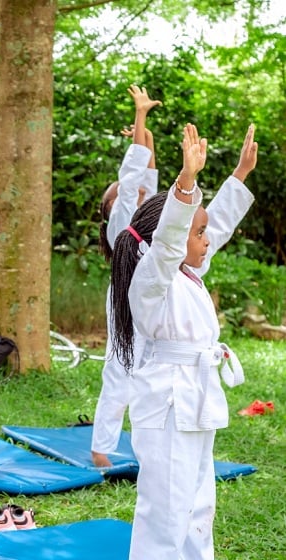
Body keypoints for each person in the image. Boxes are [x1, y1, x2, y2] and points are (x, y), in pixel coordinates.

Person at [110, 123, 257, 560]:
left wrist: (239, 176)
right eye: (199, 234)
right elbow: (174, 238)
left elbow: (218, 226)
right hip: (168, 403)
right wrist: (185, 183)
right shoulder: (154, 277)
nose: (206, 241)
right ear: (167, 243)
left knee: (197, 507)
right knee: (168, 513)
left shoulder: (186, 274)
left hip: (194, 398)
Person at [91, 85, 161, 468]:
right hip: (124, 298)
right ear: (112, 207)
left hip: (148, 297)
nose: (130, 190)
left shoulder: (143, 214)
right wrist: (139, 117)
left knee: (148, 366)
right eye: (120, 191)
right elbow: (135, 170)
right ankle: (102, 448)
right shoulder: (121, 222)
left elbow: (147, 174)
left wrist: (144, 130)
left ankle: (142, 440)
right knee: (119, 368)